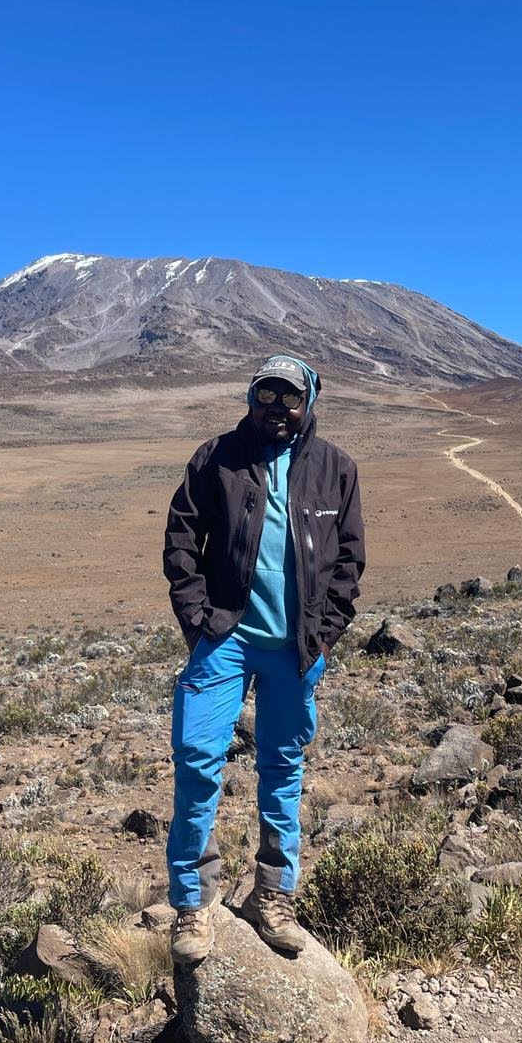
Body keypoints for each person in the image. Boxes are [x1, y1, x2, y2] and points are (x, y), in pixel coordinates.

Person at [162, 353, 366, 967]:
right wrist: (198, 620)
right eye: (265, 396)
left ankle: (272, 896)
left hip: (295, 649)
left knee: (282, 769)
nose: (277, 409)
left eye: (290, 398)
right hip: (225, 639)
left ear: (310, 400)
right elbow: (181, 538)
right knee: (197, 762)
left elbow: (349, 560)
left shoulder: (336, 468)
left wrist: (324, 634)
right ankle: (193, 902)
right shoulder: (216, 458)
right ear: (250, 399)